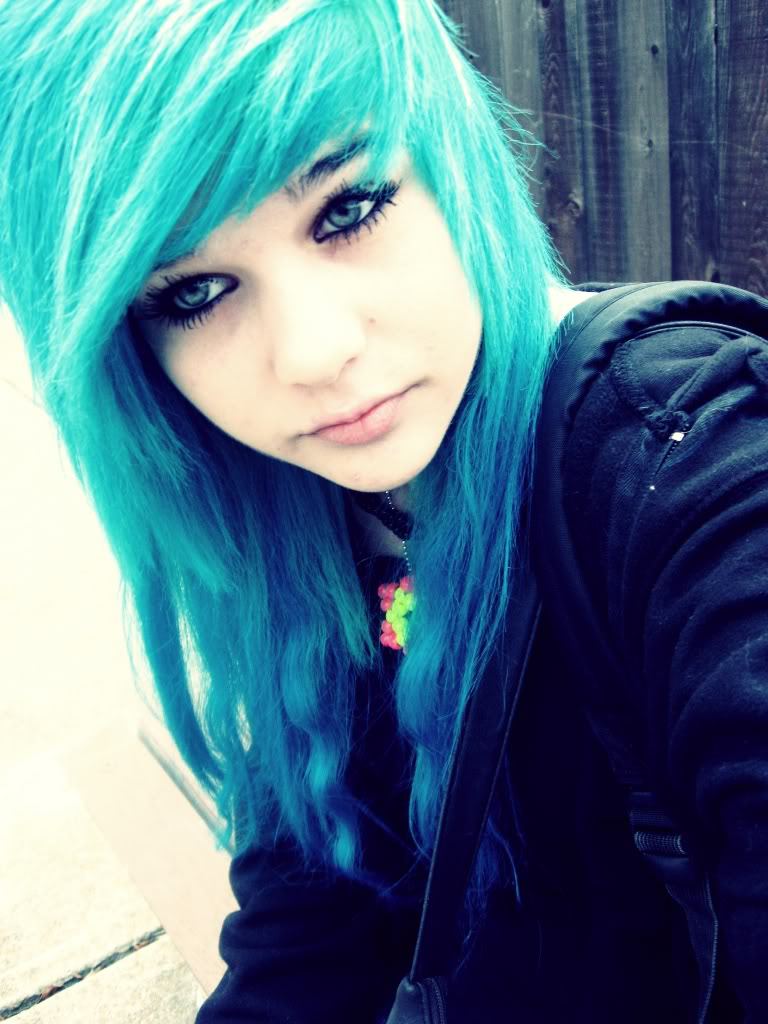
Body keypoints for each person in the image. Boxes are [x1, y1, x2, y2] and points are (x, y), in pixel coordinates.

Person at [1, 1, 765, 1021]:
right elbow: (309, 924)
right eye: (193, 293)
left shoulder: (682, 453)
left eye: (349, 207)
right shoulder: (282, 507)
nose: (314, 352)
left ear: (448, 157)